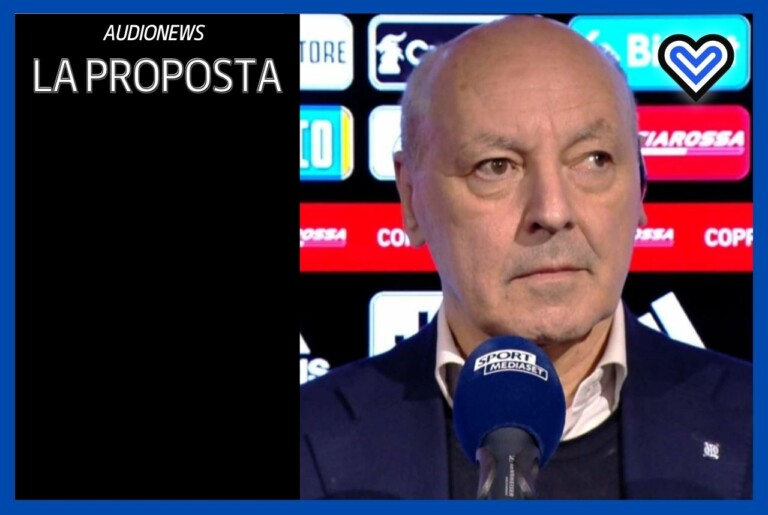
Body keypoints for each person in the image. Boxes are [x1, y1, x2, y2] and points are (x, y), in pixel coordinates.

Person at [299, 15, 752, 499]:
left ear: (640, 187)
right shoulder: (308, 442)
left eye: (594, 159)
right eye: (496, 167)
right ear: (411, 198)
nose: (552, 212)